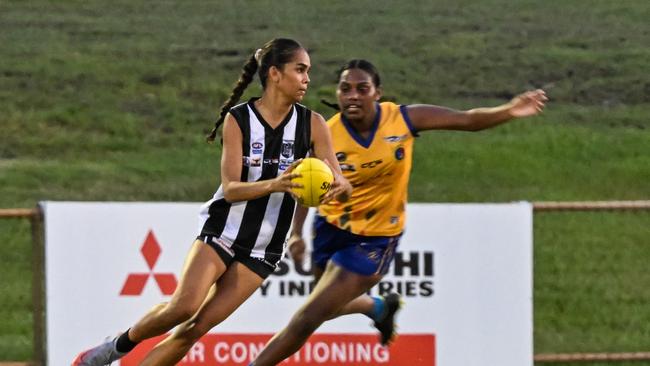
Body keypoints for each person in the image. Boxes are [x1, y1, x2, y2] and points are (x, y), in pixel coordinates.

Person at [71, 38, 351, 366]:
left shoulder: (313, 123)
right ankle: (115, 347)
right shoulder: (239, 119)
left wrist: (336, 187)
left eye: (308, 71)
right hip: (223, 230)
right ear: (275, 74)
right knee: (183, 307)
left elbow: (340, 178)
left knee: (194, 329)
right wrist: (277, 184)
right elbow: (231, 189)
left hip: (264, 249)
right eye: (300, 70)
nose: (307, 79)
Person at [250, 59, 547, 365]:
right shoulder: (326, 134)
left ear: (377, 93)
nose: (353, 95)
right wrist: (296, 233)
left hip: (374, 239)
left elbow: (467, 119)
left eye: (362, 88)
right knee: (326, 307)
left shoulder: (402, 120)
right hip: (330, 227)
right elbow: (305, 182)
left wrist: (509, 110)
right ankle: (378, 308)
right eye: (345, 88)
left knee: (307, 318)